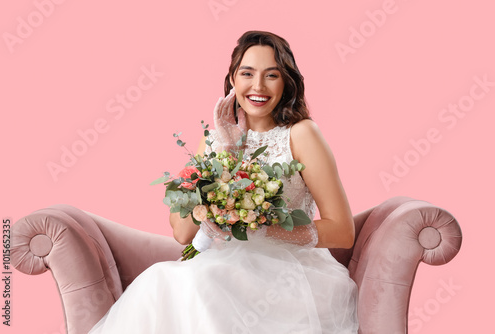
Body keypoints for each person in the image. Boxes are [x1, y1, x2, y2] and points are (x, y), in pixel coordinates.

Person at [89, 30, 359, 334]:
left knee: (202, 287)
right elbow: (181, 231)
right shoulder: (216, 137)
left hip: (288, 274)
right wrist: (228, 154)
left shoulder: (301, 133)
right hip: (221, 265)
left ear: (286, 82)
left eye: (272, 75)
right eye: (247, 73)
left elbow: (342, 231)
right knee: (161, 280)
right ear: (232, 79)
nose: (258, 86)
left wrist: (261, 226)